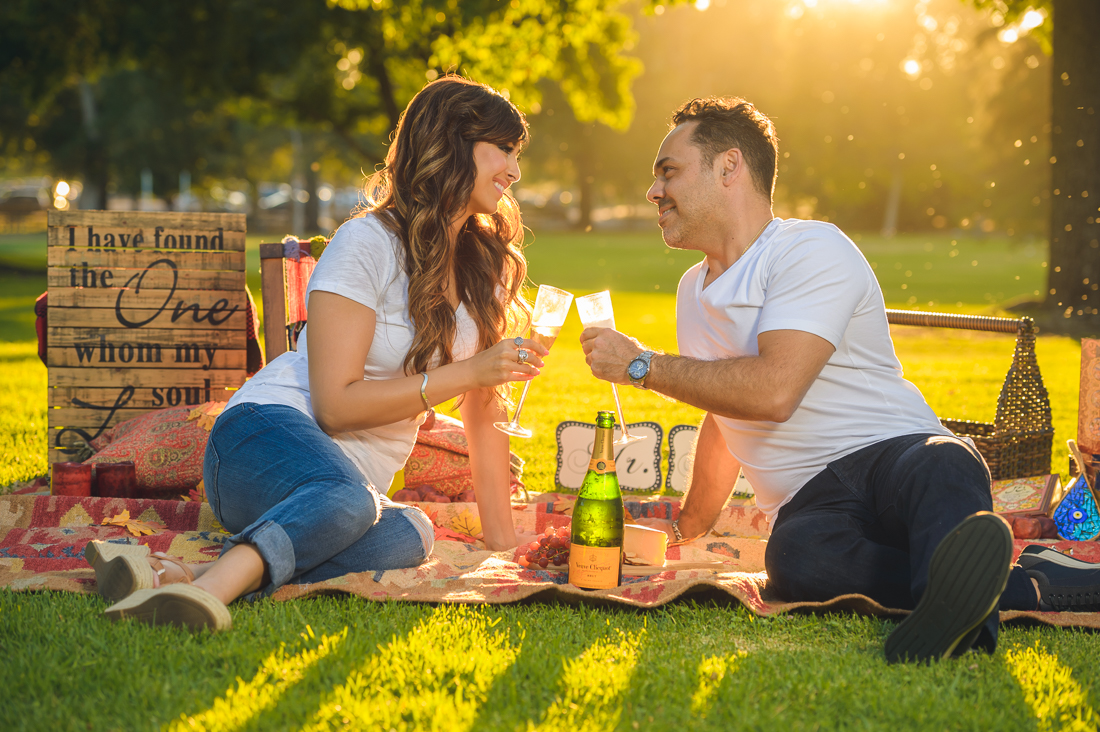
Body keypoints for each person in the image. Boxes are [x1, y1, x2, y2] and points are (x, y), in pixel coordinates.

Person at [581, 96, 1100, 662]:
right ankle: (1013, 587)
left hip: (893, 458)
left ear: (729, 167)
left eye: (668, 172)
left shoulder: (809, 249)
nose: (654, 192)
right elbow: (726, 408)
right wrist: (686, 527)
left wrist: (642, 366)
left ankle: (959, 632)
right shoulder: (691, 291)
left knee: (944, 463)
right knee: (796, 561)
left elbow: (774, 392)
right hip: (811, 505)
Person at [89, 76, 546, 631]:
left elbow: (484, 412)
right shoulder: (367, 244)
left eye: (516, 154)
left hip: (349, 497)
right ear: (451, 143)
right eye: (502, 148)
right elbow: (334, 407)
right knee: (350, 501)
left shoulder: (486, 267)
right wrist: (467, 371)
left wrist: (502, 547)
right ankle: (207, 594)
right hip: (262, 437)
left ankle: (172, 574)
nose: (514, 171)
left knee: (413, 534)